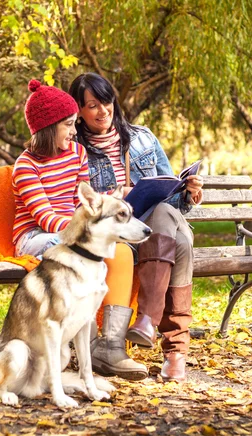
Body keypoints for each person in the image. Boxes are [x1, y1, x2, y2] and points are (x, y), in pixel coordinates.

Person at [69, 73, 204, 382]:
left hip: (156, 226)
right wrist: (115, 200)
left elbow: (174, 200)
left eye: (106, 102)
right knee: (181, 245)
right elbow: (76, 204)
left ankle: (147, 320)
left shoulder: (143, 138)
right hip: (118, 236)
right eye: (92, 105)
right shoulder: (73, 148)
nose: (103, 110)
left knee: (165, 212)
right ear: (79, 111)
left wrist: (190, 192)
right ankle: (174, 354)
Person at [13, 79, 148, 381]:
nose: (75, 132)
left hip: (73, 232)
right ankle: (86, 342)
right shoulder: (25, 166)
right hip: (36, 237)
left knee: (120, 249)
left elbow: (83, 203)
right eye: (69, 125)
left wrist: (105, 206)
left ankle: (110, 347)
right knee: (87, 252)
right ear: (48, 128)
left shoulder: (76, 153)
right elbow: (45, 217)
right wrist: (84, 232)